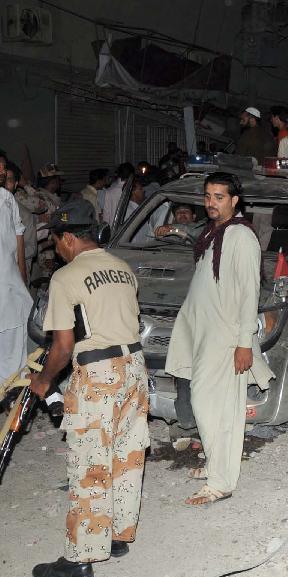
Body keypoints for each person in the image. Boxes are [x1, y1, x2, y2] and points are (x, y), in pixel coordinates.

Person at [27, 199, 149, 577]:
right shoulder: (123, 268)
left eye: (56, 243)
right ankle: (116, 535)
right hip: (135, 367)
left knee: (90, 462)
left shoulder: (65, 278)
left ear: (67, 239)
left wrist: (44, 380)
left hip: (99, 373)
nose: (56, 250)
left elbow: (63, 345)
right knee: (126, 455)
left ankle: (81, 559)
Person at [165, 172, 274, 505]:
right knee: (206, 405)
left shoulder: (241, 236)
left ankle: (221, 482)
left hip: (226, 337)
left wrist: (244, 342)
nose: (211, 203)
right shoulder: (213, 232)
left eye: (219, 197)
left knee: (215, 407)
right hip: (204, 333)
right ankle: (216, 464)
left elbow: (248, 293)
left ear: (234, 200)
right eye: (208, 196)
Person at [0, 158, 31, 383]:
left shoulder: (7, 198)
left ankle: (11, 392)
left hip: (9, 282)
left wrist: (22, 275)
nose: (3, 171)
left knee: (15, 340)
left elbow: (18, 236)